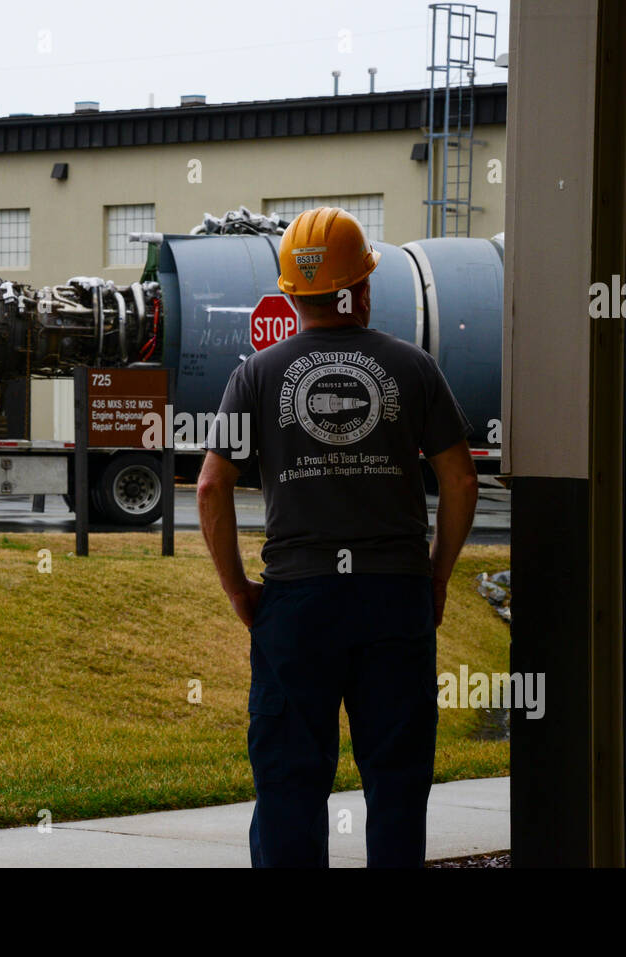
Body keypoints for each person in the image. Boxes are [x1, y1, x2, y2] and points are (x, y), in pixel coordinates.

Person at [197, 206, 478, 867]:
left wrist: (241, 591)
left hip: (297, 604)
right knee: (398, 784)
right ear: (363, 288)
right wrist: (435, 578)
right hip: (394, 601)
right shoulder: (413, 368)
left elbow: (210, 487)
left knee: (291, 786)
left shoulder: (255, 375)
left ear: (292, 293)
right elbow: (462, 482)